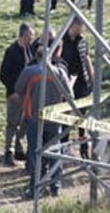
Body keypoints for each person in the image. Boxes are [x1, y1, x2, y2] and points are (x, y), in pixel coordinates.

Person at [15, 42, 73, 198]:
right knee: (55, 152)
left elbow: (18, 89)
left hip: (34, 117)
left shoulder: (29, 72)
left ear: (36, 57)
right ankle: (56, 186)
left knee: (35, 153)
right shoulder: (59, 72)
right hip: (54, 118)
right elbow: (70, 96)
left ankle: (35, 188)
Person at [0, 23, 33, 166]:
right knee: (13, 123)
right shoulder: (12, 51)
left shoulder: (29, 50)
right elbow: (3, 75)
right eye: (30, 36)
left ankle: (18, 147)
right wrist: (12, 91)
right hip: (15, 94)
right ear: (23, 35)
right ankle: (9, 152)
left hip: (28, 94)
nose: (32, 38)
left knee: (25, 122)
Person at [60, 18, 93, 157]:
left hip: (81, 83)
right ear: (73, 25)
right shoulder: (62, 41)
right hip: (66, 83)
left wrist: (92, 77)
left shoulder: (82, 41)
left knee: (82, 117)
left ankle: (83, 146)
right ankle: (63, 146)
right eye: (81, 26)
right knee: (65, 117)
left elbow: (86, 58)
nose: (82, 29)